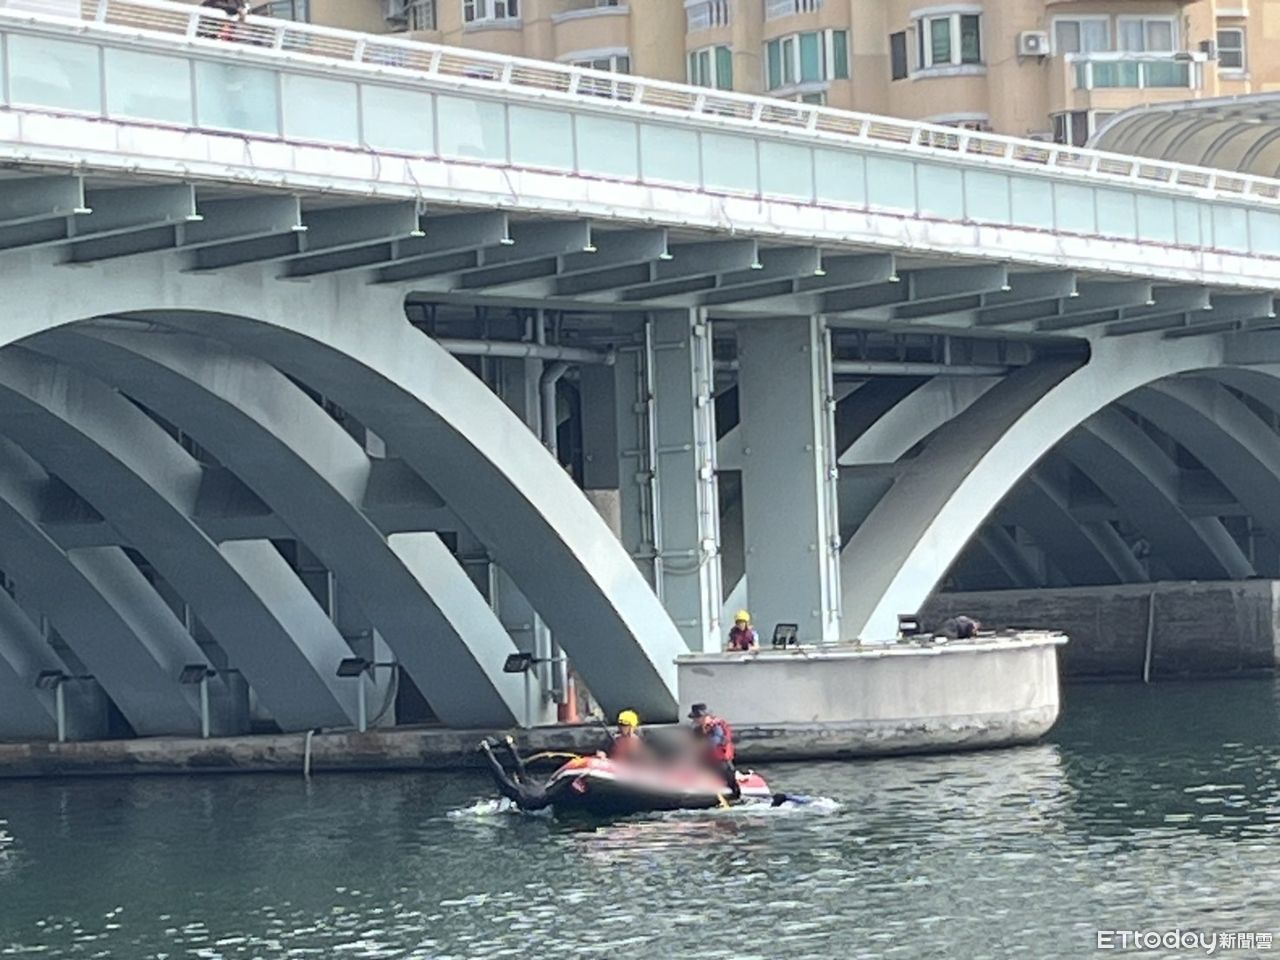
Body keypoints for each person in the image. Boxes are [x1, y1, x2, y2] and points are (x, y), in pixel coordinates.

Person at [688, 702, 739, 800]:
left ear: (705, 716)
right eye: (694, 718)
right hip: (705, 760)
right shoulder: (697, 730)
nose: (695, 720)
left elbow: (717, 739)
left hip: (720, 760)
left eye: (697, 717)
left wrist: (703, 745)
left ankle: (734, 794)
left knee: (727, 774)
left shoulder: (716, 726)